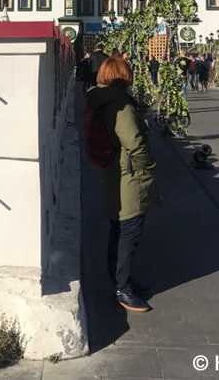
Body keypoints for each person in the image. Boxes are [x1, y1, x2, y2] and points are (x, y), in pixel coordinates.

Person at [87, 55, 156, 313]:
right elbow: (134, 142)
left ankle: (120, 280)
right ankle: (123, 288)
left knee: (119, 228)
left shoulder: (101, 99)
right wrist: (147, 166)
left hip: (114, 171)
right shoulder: (121, 106)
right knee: (130, 231)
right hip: (129, 175)